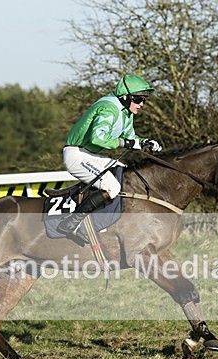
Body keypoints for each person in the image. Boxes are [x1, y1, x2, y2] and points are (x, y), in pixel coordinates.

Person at [57, 74, 163, 241]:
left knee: (122, 170)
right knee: (112, 187)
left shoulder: (127, 113)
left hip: (89, 154)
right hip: (76, 154)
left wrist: (144, 142)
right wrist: (127, 143)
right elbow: (97, 138)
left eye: (144, 100)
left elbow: (131, 138)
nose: (142, 104)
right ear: (125, 96)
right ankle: (72, 223)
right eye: (138, 99)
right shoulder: (109, 108)